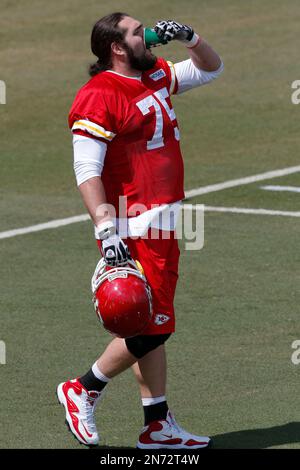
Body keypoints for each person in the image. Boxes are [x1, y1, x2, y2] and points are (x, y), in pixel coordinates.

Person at [57, 12, 223, 449]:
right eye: (136, 32)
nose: (147, 34)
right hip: (135, 221)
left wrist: (190, 37)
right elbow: (86, 170)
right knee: (154, 327)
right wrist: (107, 230)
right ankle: (84, 388)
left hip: (163, 217)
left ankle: (157, 424)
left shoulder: (155, 75)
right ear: (116, 47)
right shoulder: (99, 94)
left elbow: (211, 68)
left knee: (148, 321)